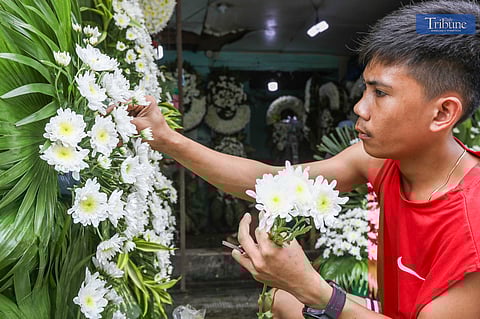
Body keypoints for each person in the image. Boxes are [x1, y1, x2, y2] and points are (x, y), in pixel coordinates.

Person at [129, 1, 480, 317]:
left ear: (442, 113)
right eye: (365, 90)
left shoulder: (473, 225)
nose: (360, 107)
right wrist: (165, 139)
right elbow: (265, 181)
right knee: (284, 302)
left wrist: (313, 290)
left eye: (381, 93)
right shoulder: (380, 162)